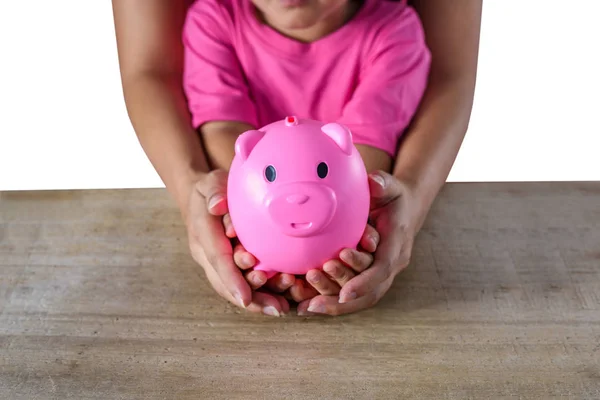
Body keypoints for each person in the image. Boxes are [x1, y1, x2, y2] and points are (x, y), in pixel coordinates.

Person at [111, 0, 482, 317]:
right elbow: (225, 134)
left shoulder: (394, 32)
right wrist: (239, 216)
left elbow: (362, 164)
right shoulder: (214, 20)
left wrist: (363, 225)